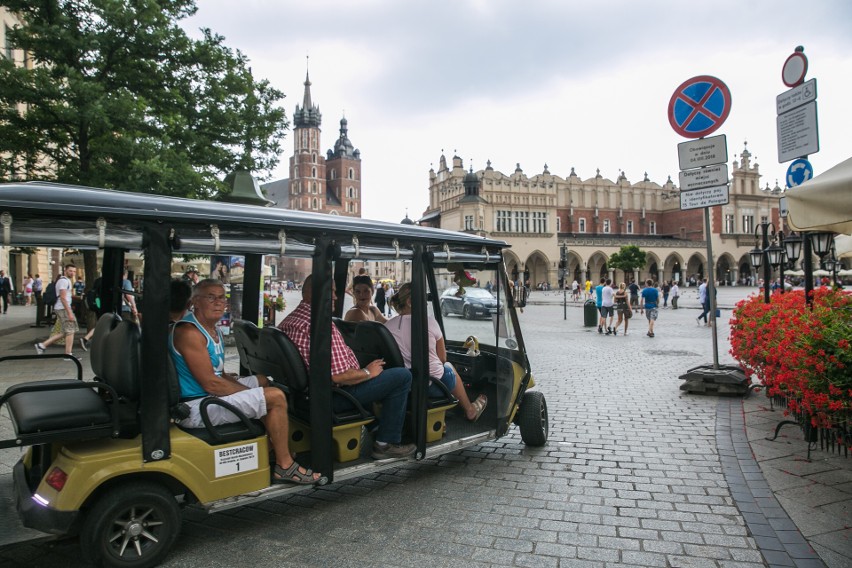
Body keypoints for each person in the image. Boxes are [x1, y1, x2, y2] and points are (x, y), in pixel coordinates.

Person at [171, 279, 322, 485]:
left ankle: (271, 446)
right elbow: (211, 384)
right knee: (275, 398)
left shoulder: (212, 330)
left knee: (263, 381)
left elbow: (221, 374)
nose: (218, 302)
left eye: (222, 297)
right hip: (196, 406)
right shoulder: (189, 332)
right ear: (195, 301)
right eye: (211, 297)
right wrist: (247, 393)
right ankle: (285, 466)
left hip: (208, 397)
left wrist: (252, 390)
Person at [279, 275, 415, 460]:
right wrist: (367, 372)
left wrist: (364, 372)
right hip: (333, 397)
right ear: (317, 293)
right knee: (402, 376)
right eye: (331, 292)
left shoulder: (292, 320)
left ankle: (376, 427)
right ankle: (385, 443)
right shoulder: (319, 325)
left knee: (370, 377)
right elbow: (339, 377)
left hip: (303, 395)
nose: (335, 297)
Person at [384, 283, 487, 422]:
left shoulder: (388, 326)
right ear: (409, 302)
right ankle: (470, 410)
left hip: (405, 386)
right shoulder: (429, 323)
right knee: (449, 367)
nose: (426, 304)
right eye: (423, 300)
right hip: (432, 386)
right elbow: (442, 358)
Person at [35, 265, 78, 356]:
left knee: (66, 331)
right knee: (70, 330)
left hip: (62, 308)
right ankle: (68, 354)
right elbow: (63, 298)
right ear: (65, 270)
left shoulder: (66, 281)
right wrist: (69, 312)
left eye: (74, 271)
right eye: (70, 271)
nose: (72, 273)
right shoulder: (63, 281)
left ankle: (42, 345)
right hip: (62, 308)